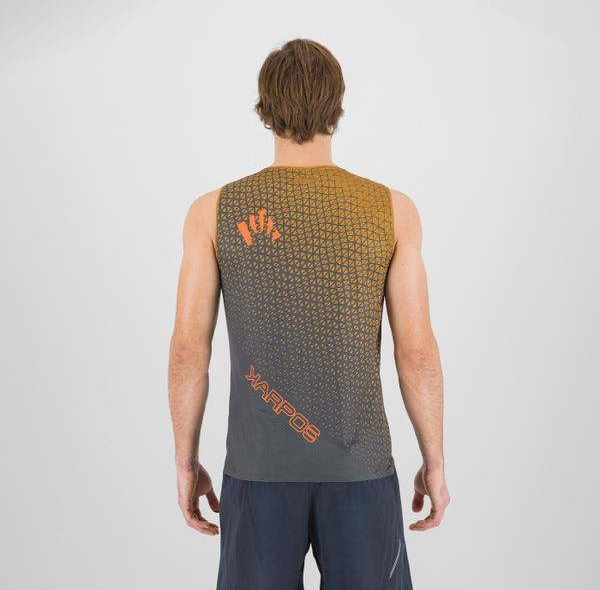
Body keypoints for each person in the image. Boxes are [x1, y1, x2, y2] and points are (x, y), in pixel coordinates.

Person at [168, 38, 450, 590]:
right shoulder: (391, 210)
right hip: (359, 470)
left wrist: (185, 461)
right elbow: (416, 353)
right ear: (337, 107)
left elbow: (187, 352)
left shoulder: (213, 212)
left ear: (264, 108)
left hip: (257, 472)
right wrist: (434, 461)